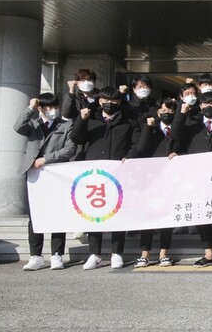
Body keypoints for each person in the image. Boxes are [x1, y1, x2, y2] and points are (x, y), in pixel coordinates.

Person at [70, 86, 142, 270]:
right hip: (94, 174)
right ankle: (94, 254)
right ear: (99, 100)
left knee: (118, 212)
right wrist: (81, 119)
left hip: (119, 173)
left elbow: (136, 144)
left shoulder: (128, 122)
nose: (109, 104)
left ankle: (117, 252)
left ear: (119, 102)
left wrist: (129, 157)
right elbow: (77, 138)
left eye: (113, 101)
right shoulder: (92, 119)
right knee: (95, 213)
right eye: (105, 100)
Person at [171, 91, 212, 267]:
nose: (208, 107)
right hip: (197, 175)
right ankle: (208, 253)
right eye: (205, 104)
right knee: (203, 214)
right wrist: (182, 112)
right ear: (200, 106)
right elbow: (176, 135)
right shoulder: (192, 123)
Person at [14, 93, 77, 271]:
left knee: (57, 214)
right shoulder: (32, 123)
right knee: (35, 216)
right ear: (41, 108)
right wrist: (30, 108)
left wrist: (47, 158)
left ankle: (57, 255)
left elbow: (70, 148)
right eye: (48, 107)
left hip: (56, 172)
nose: (53, 111)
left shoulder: (66, 125)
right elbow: (18, 127)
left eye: (55, 107)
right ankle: (36, 256)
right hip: (34, 174)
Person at [134, 98, 179, 267]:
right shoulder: (151, 127)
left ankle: (163, 253)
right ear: (157, 112)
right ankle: (144, 254)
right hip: (151, 177)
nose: (166, 114)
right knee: (149, 215)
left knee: (166, 216)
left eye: (170, 112)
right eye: (163, 111)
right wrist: (148, 127)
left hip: (171, 178)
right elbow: (141, 149)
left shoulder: (177, 128)